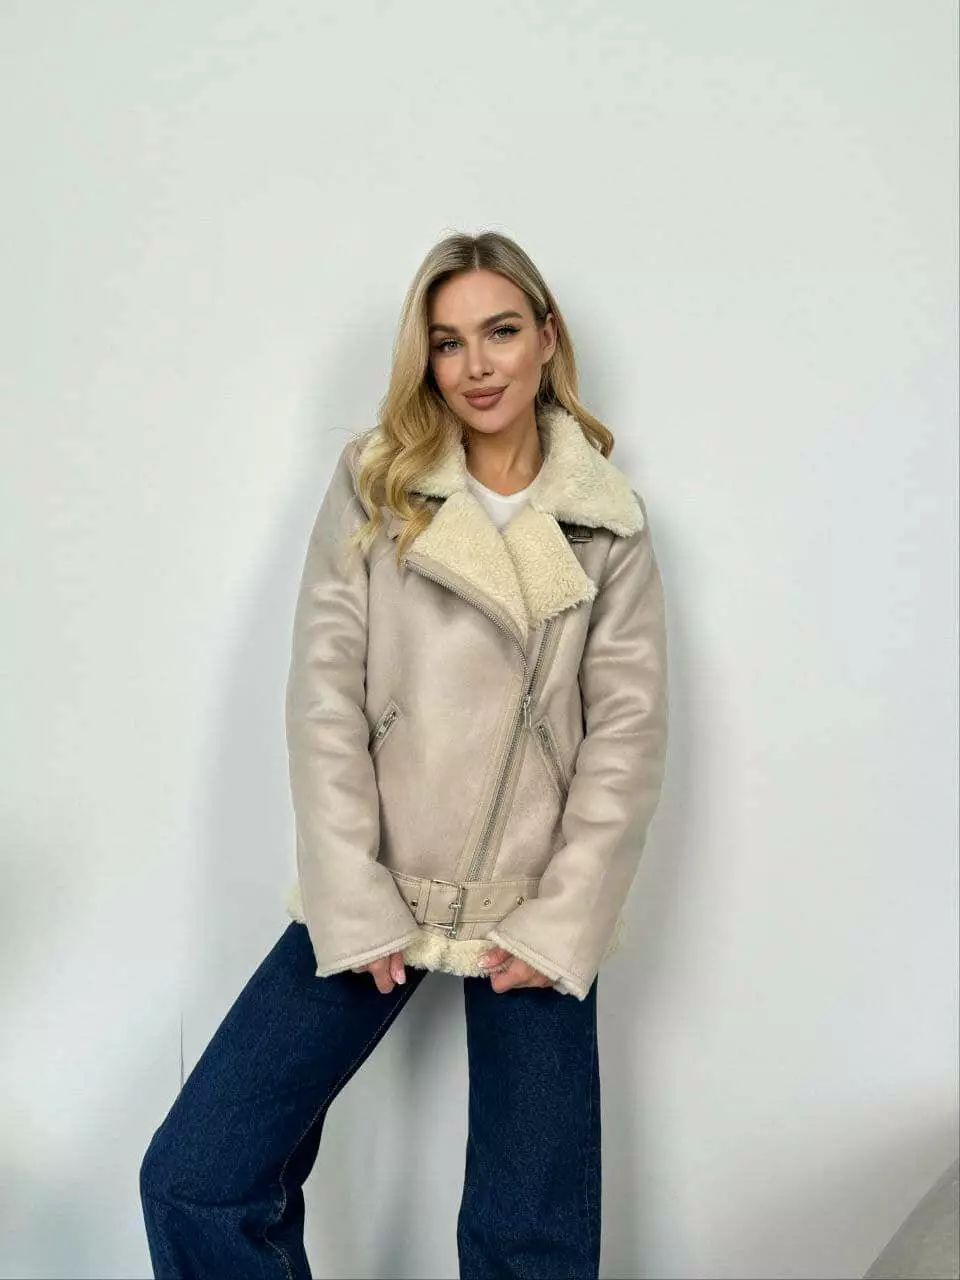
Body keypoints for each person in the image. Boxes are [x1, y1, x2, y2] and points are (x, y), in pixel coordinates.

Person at [139, 230, 669, 1279]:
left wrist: (563, 920)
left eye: (500, 331)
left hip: (530, 903)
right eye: (448, 341)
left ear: (547, 336)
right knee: (199, 1172)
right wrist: (351, 891)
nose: (476, 365)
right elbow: (324, 695)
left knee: (532, 1244)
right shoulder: (378, 484)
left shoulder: (606, 521)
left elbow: (628, 732)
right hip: (380, 881)